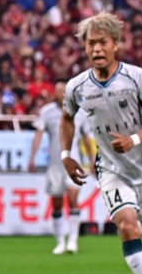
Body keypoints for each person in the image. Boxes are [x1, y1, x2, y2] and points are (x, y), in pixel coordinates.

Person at [61, 11, 142, 274]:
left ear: (115, 44)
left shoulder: (138, 79)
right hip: (111, 168)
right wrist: (66, 154)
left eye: (102, 42)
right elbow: (67, 118)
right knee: (126, 225)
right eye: (91, 43)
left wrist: (134, 139)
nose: (97, 49)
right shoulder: (77, 87)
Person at [28, 79, 95, 255]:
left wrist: (91, 160)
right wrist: (32, 157)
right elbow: (38, 134)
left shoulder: (80, 112)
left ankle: (73, 240)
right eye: (59, 91)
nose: (62, 94)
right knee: (56, 203)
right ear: (54, 93)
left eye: (65, 91)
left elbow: (86, 138)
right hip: (55, 165)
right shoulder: (47, 111)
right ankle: (59, 242)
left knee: (72, 199)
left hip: (74, 162)